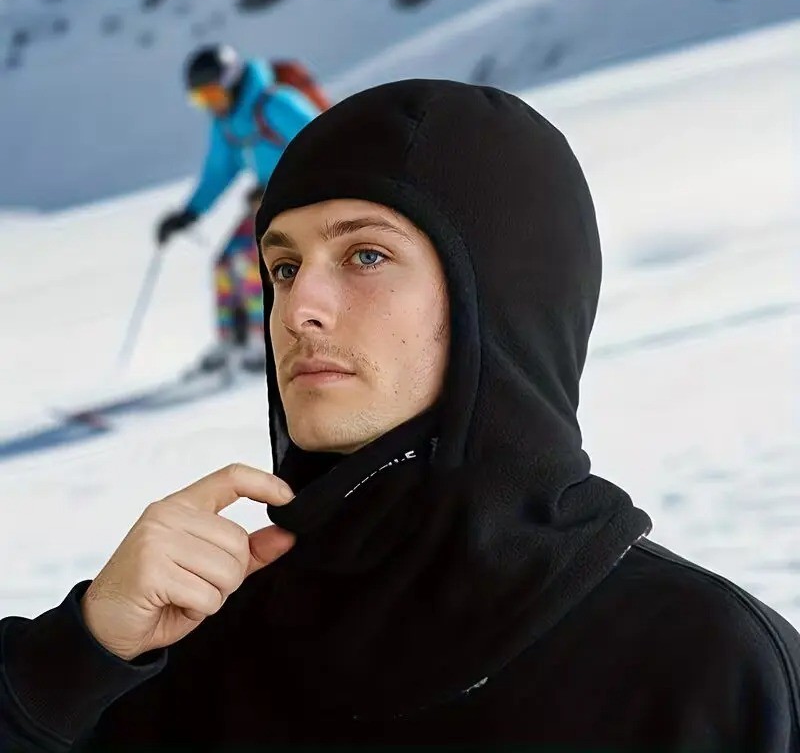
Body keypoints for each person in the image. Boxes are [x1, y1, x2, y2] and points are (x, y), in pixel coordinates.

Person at [2, 79, 798, 751]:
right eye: (284, 267)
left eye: (366, 255)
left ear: (502, 297)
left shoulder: (703, 667)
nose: (295, 311)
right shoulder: (179, 643)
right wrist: (64, 666)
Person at [156, 43, 324, 374]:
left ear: (231, 82)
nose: (210, 104)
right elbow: (218, 171)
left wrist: (282, 186)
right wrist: (189, 213)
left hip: (306, 201)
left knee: (252, 261)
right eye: (201, 99)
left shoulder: (275, 103)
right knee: (225, 262)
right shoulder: (227, 124)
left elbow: (323, 141)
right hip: (268, 206)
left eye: (212, 94)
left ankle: (261, 344)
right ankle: (230, 342)